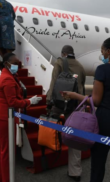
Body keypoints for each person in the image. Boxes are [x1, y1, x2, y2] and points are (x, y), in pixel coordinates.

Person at [63, 38, 110, 182]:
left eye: (102, 52)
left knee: (98, 163)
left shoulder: (103, 70)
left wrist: (74, 95)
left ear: (108, 51)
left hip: (106, 119)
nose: (102, 55)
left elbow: (95, 100)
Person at [0, 52, 42, 182]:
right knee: (6, 152)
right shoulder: (8, 79)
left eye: (18, 64)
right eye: (15, 64)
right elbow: (12, 102)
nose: (17, 66)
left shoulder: (8, 74)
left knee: (0, 150)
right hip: (4, 117)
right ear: (7, 64)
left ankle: (0, 178)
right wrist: (30, 102)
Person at [46, 45, 86, 181]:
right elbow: (81, 86)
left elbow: (53, 83)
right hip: (74, 105)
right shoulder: (80, 66)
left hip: (58, 103)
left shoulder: (59, 63)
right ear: (72, 54)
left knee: (49, 128)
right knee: (75, 138)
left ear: (63, 54)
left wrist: (48, 101)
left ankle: (49, 159)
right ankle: (75, 172)